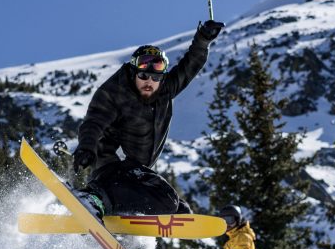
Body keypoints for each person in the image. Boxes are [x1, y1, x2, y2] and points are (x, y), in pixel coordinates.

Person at [71, 20, 225, 217]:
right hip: (108, 165)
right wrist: (86, 147)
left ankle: (117, 212)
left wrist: (203, 40)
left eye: (156, 78)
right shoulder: (115, 91)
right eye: (144, 76)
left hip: (134, 167)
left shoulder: (165, 89)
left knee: (180, 211)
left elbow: (190, 65)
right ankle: (93, 199)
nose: (149, 83)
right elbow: (94, 122)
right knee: (166, 200)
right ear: (134, 72)